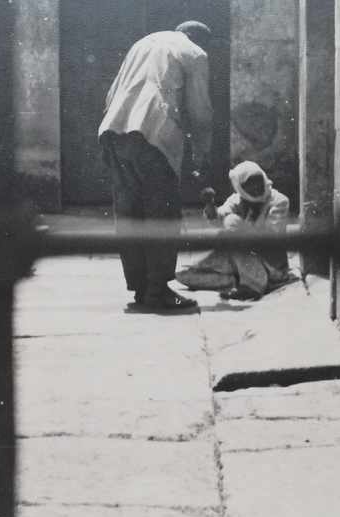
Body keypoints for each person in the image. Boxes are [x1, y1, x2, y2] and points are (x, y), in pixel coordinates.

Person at [98, 21, 214, 312]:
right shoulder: (195, 53)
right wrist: (201, 154)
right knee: (162, 215)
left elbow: (112, 92)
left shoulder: (143, 43)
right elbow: (200, 112)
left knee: (129, 214)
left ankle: (140, 288)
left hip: (114, 131)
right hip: (152, 134)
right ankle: (158, 292)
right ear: (199, 40)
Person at [176, 160, 294, 300]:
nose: (257, 188)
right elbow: (219, 216)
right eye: (250, 185)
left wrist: (238, 229)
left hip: (269, 264)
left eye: (258, 182)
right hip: (239, 259)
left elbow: (270, 237)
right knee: (184, 274)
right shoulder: (238, 199)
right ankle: (236, 281)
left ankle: (254, 285)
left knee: (232, 222)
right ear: (240, 187)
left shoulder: (279, 201)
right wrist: (210, 205)